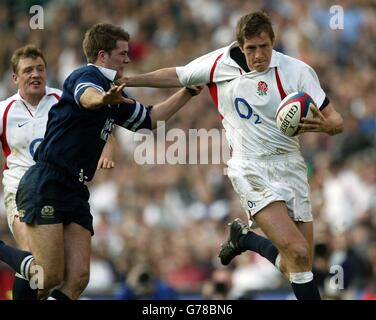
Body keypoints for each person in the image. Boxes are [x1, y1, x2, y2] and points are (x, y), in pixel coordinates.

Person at [122, 11, 343, 300]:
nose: (259, 54)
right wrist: (129, 80)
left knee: (299, 265)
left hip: (290, 165)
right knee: (298, 252)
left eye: (264, 46)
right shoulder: (218, 64)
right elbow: (177, 75)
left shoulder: (297, 71)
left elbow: (336, 120)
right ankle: (248, 239)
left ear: (273, 42)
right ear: (240, 46)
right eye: (251, 48)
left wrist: (326, 126)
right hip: (249, 166)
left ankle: (245, 239)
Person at [0, 23, 201, 300]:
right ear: (103, 55)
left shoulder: (114, 92)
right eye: (122, 53)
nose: (128, 59)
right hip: (46, 182)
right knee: (49, 274)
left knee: (78, 279)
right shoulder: (85, 76)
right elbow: (87, 97)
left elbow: (151, 119)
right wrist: (103, 98)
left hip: (76, 187)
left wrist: (187, 92)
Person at [0, 45, 117, 300]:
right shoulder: (4, 111)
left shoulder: (63, 100)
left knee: (71, 278)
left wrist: (107, 149)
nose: (35, 74)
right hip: (22, 190)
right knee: (39, 264)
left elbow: (99, 125)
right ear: (15, 78)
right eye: (28, 70)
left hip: (61, 190)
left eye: (40, 69)